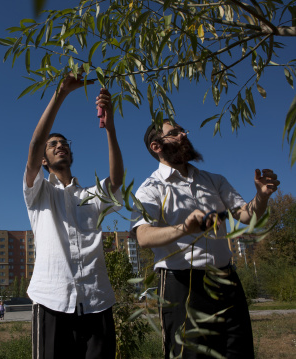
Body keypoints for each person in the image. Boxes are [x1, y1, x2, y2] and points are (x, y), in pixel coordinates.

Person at [131, 120, 280, 358]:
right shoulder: (150, 188)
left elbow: (245, 214)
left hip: (226, 281)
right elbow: (143, 236)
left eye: (182, 131)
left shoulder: (213, 180)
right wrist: (184, 228)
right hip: (182, 287)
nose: (183, 135)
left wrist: (261, 197)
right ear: (156, 146)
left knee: (238, 351)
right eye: (175, 133)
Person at [23, 72, 123, 359]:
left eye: (64, 143)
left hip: (97, 302)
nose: (59, 146)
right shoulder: (39, 193)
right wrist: (62, 93)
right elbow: (33, 147)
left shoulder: (89, 195)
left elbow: (116, 181)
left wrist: (110, 128)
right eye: (52, 145)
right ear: (44, 160)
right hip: (52, 301)